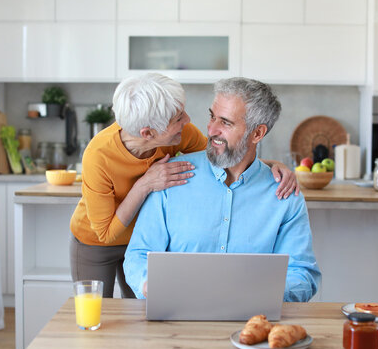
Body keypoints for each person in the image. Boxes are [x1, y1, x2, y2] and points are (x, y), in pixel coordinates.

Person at [70, 73, 299, 298]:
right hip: (97, 242)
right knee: (96, 316)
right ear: (148, 133)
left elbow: (223, 157)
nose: (188, 120)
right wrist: (145, 185)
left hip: (144, 239)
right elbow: (105, 233)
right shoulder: (98, 155)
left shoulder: (182, 134)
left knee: (136, 315)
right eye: (178, 118)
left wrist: (269, 166)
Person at [124, 77, 321, 302]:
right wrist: (149, 285)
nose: (211, 129)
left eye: (225, 123)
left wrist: (252, 295)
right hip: (176, 319)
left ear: (257, 134)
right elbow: (138, 255)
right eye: (212, 116)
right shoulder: (169, 177)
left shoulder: (285, 195)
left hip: (252, 322)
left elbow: (303, 274)